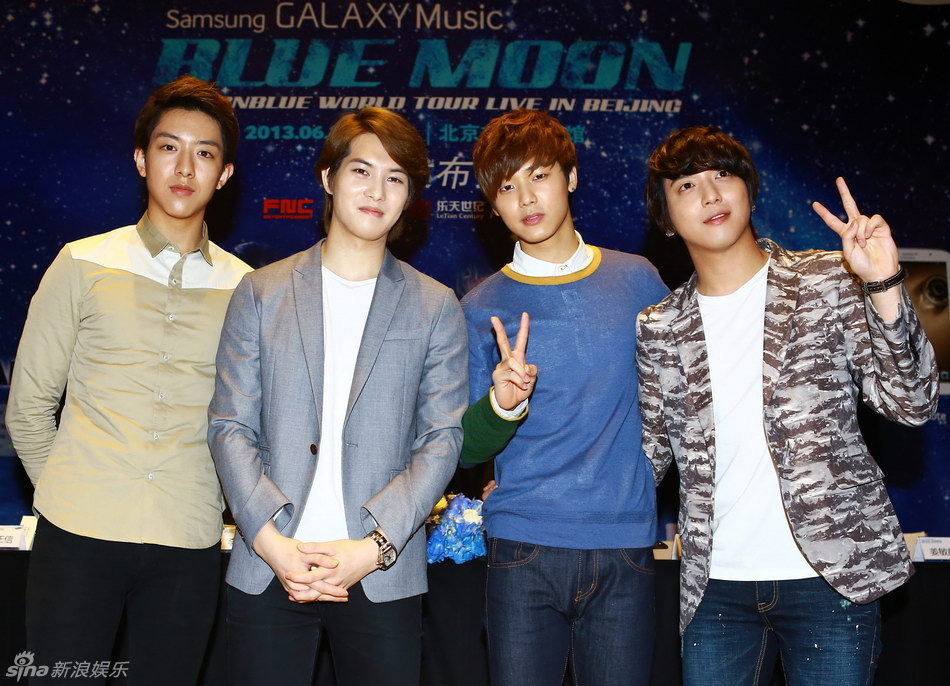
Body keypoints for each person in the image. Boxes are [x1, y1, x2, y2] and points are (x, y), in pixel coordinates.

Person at [636, 125, 939, 686]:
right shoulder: (658, 326)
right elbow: (646, 457)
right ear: (666, 218)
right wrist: (537, 478)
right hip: (715, 589)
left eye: (722, 174)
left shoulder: (828, 279)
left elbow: (912, 403)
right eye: (686, 185)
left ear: (749, 189)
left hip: (833, 576)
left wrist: (884, 284)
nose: (710, 194)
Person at [207, 107, 467, 686]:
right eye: (361, 171)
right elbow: (230, 425)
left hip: (380, 573)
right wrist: (271, 543)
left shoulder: (435, 305)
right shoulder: (261, 292)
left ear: (409, 197)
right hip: (269, 565)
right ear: (328, 177)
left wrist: (373, 549)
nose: (377, 191)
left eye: (395, 178)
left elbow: (441, 439)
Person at [5, 76, 251, 683]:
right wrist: (69, 496)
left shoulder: (247, 288)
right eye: (169, 147)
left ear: (223, 174)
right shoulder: (82, 261)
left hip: (187, 540)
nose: (184, 168)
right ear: (142, 159)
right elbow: (29, 406)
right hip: (77, 533)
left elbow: (250, 422)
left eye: (204, 153)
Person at [458, 109, 669, 686]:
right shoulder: (480, 308)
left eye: (539, 175)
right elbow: (465, 447)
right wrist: (503, 405)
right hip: (521, 543)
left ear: (570, 177)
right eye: (506, 187)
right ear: (492, 204)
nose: (526, 198)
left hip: (623, 540)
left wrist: (643, 474)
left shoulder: (638, 280)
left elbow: (680, 400)